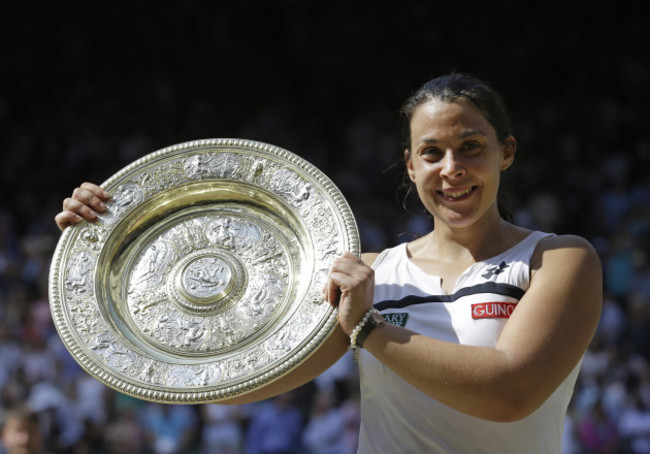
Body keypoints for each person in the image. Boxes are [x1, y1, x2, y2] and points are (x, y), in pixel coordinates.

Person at [55, 73, 603, 453]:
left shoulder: (557, 259)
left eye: (471, 146)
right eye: (432, 153)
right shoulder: (368, 273)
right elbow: (231, 375)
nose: (451, 168)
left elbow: (511, 394)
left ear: (506, 152)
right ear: (410, 167)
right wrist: (105, 253)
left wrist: (367, 328)